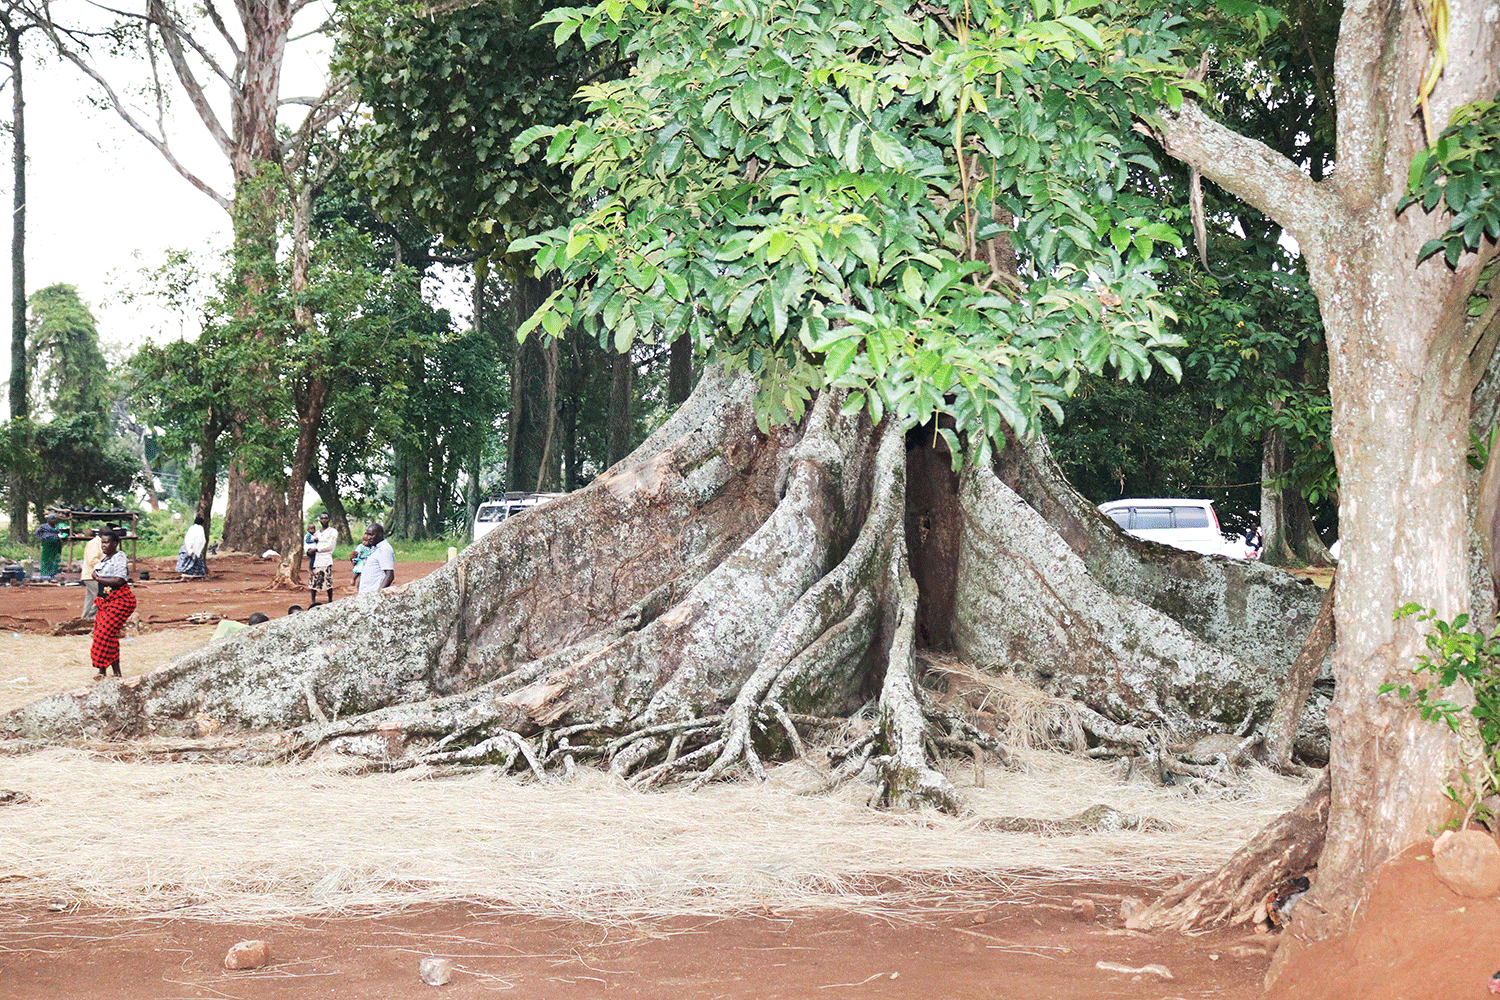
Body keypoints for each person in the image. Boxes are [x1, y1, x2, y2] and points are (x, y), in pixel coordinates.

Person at [89, 529, 135, 679]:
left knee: (104, 633)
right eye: (103, 542)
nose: (104, 545)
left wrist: (98, 579)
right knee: (104, 635)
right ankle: (110, 673)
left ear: (116, 543)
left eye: (107, 542)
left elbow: (120, 580)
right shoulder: (104, 559)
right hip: (105, 602)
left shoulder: (119, 557)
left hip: (120, 600)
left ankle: (108, 671)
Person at [309, 512, 338, 606]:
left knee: (327, 580)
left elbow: (330, 545)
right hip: (316, 559)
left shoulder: (333, 531)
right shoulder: (316, 533)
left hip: (326, 558)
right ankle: (313, 600)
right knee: (313, 580)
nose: (324, 520)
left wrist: (317, 549)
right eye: (322, 518)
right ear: (319, 520)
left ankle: (330, 599)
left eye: (326, 518)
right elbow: (311, 544)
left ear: (329, 519)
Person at [358, 522, 396, 593]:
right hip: (367, 594)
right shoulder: (376, 548)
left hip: (373, 595)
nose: (368, 538)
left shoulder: (384, 549)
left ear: (380, 535)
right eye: (367, 534)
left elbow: (390, 575)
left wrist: (378, 594)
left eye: (371, 535)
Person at [79, 528, 104, 619]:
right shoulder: (95, 543)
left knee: (90, 599)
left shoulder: (99, 543)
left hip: (91, 575)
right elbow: (92, 560)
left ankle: (84, 618)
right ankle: (91, 616)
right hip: (91, 575)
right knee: (102, 596)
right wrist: (105, 566)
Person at [36, 514, 64, 580]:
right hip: (47, 544)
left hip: (56, 545)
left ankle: (52, 574)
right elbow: (37, 532)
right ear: (48, 520)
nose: (53, 520)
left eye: (53, 519)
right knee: (46, 559)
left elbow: (59, 534)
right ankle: (44, 574)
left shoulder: (56, 527)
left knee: (55, 559)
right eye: (51, 519)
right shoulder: (43, 526)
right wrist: (41, 539)